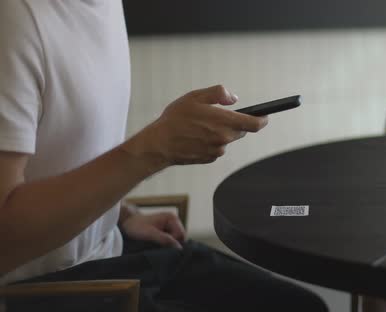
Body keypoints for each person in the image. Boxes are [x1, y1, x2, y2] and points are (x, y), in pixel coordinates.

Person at [0, 1, 328, 311]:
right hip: (44, 290)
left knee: (298, 305)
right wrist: (153, 149)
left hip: (109, 251)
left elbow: (59, 155)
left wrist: (121, 215)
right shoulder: (14, 20)